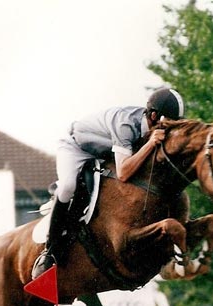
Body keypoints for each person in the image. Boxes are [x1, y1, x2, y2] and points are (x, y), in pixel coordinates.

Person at [31, 87, 186, 279]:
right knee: (68, 186)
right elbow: (124, 172)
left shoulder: (152, 125)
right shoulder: (126, 125)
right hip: (76, 148)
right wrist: (150, 144)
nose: (171, 129)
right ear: (154, 116)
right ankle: (49, 251)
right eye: (169, 123)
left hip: (105, 153)